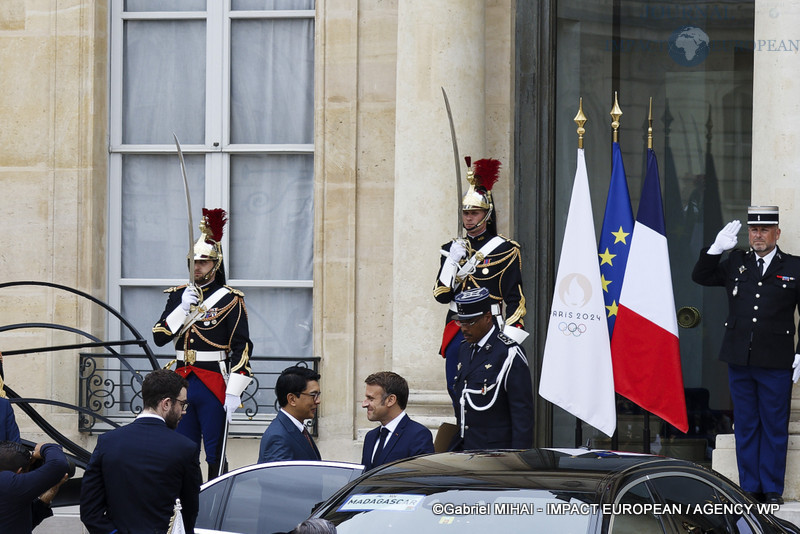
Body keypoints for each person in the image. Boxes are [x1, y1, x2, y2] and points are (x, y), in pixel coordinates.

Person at [692, 206, 800, 505]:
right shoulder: (735, 262)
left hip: (777, 360)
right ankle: (750, 486)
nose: (758, 235)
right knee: (747, 424)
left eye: (764, 230)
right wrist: (714, 249)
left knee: (775, 426)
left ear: (777, 233)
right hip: (740, 358)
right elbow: (700, 276)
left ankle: (772, 489)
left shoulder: (794, 267)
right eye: (754, 230)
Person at [153, 208, 253, 479]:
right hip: (180, 382)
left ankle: (214, 504)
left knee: (214, 452)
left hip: (213, 383)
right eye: (193, 261)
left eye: (203, 262)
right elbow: (160, 336)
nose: (196, 267)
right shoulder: (178, 296)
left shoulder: (230, 299)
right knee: (182, 450)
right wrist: (183, 308)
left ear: (215, 265)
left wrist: (234, 390)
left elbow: (241, 346)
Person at [433, 157, 526, 406]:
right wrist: (452, 261)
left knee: (490, 390)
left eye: (474, 213)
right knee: (456, 387)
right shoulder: (450, 249)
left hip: (491, 326)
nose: (468, 218)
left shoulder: (505, 250)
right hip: (458, 328)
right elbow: (441, 295)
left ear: (487, 214)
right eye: (465, 213)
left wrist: (512, 337)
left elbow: (515, 299)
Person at [80, 369, 202, 533]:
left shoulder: (107, 443)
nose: (184, 411)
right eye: (182, 404)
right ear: (166, 404)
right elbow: (190, 510)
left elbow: (90, 512)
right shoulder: (186, 448)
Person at [449, 287, 534, 451]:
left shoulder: (508, 352)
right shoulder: (465, 349)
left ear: (488, 317)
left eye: (470, 322)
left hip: (495, 454)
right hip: (465, 448)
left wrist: (517, 458)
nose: (464, 328)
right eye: (461, 322)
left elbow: (522, 415)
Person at [360, 371, 434, 470]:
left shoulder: (418, 435)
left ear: (391, 400)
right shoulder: (371, 436)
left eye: (371, 399)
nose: (364, 404)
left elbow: (421, 479)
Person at [0, 441, 69, 533]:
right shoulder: (8, 483)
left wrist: (48, 495)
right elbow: (58, 464)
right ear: (19, 472)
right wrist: (46, 447)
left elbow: (17, 523)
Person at [258, 366, 322, 463]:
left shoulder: (297, 429)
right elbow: (279, 477)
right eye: (313, 395)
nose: (318, 401)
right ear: (292, 399)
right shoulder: (278, 438)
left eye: (318, 395)